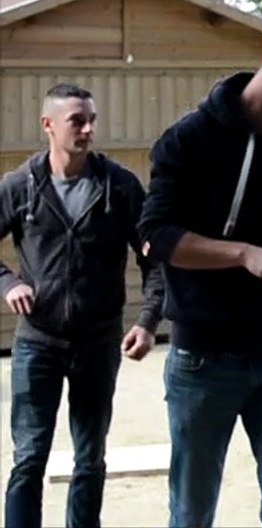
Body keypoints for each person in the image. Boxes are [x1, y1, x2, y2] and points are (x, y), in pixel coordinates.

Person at [137, 24, 262, 528]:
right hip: (203, 360)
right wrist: (243, 254)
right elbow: (158, 237)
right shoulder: (188, 140)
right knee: (192, 513)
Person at [0, 82, 165, 528]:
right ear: (48, 125)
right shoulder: (19, 186)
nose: (88, 129)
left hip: (98, 342)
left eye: (91, 120)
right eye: (78, 120)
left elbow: (156, 259)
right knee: (29, 458)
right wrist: (7, 281)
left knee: (90, 459)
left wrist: (148, 321)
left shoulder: (120, 187)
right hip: (38, 343)